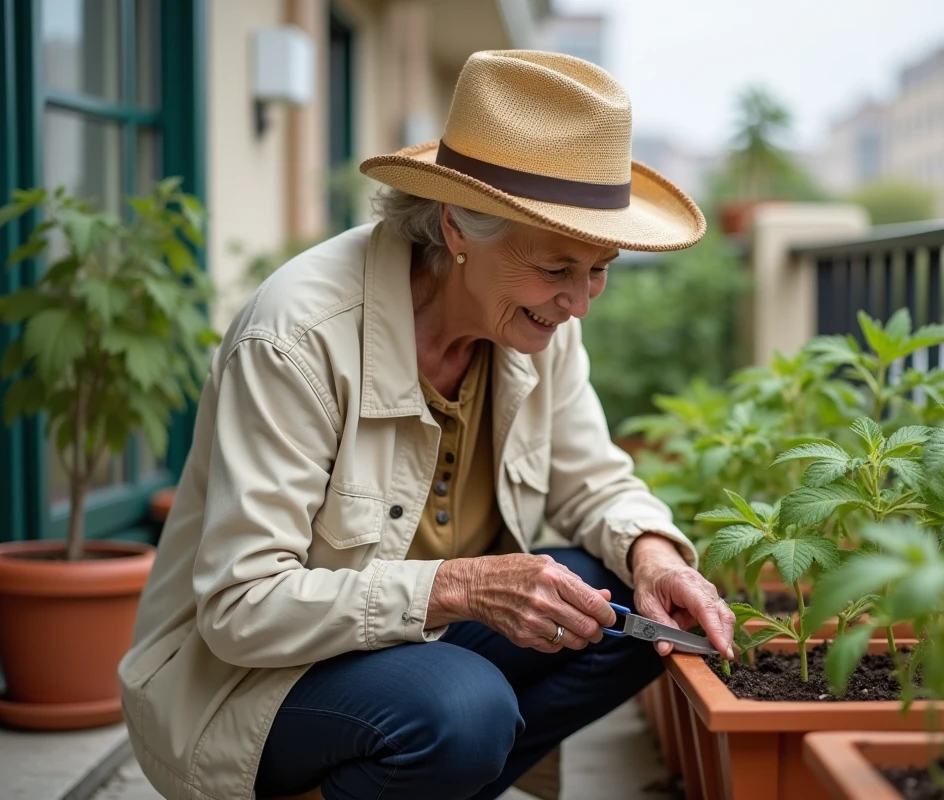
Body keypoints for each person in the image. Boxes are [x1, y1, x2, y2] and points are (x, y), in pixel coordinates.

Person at [118, 49, 735, 800]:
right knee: (462, 709)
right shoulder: (297, 337)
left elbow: (593, 479)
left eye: (599, 268)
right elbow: (242, 608)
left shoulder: (538, 327)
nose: (580, 301)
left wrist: (657, 557)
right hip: (249, 680)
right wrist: (464, 587)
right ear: (458, 229)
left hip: (420, 644)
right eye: (557, 268)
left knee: (630, 608)